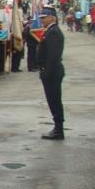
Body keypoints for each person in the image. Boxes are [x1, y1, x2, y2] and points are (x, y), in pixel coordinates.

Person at [37, 7, 65, 140]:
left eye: (44, 17)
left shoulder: (53, 32)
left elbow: (53, 56)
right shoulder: (50, 30)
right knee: (53, 100)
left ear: (52, 18)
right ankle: (57, 128)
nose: (41, 20)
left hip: (52, 72)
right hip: (51, 72)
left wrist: (46, 72)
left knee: (54, 100)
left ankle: (58, 129)